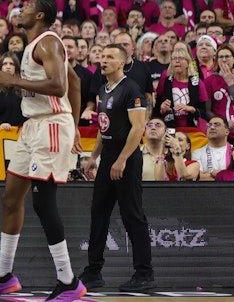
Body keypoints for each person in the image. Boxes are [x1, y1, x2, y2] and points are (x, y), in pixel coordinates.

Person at [0, 0, 84, 301]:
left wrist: (14, 79)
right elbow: (74, 84)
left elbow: (59, 86)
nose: (21, 8)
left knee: (43, 202)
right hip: (32, 126)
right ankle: (3, 276)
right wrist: (16, 84)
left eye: (27, 6)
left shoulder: (48, 43)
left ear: (39, 15)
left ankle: (68, 280)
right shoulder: (35, 45)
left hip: (49, 126)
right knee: (10, 198)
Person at [79, 44, 153, 292]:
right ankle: (93, 272)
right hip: (108, 156)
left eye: (110, 57)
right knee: (98, 213)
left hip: (127, 158)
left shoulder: (131, 89)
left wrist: (121, 160)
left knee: (132, 214)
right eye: (102, 55)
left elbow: (138, 128)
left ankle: (144, 273)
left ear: (122, 63)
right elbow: (103, 127)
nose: (103, 60)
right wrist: (93, 157)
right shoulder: (103, 89)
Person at [193, 116, 232, 180]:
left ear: (227, 132)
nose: (212, 127)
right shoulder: (197, 153)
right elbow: (199, 177)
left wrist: (211, 175)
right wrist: (226, 178)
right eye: (209, 125)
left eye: (216, 125)